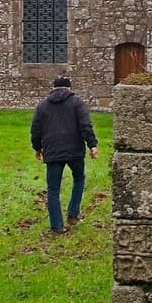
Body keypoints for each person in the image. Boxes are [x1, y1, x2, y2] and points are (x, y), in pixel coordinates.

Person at [31, 75, 98, 234]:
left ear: (53, 88)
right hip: (75, 151)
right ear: (69, 88)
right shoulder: (77, 103)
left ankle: (57, 226)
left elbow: (35, 130)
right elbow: (85, 126)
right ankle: (73, 214)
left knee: (53, 188)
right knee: (79, 178)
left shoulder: (42, 106)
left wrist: (37, 148)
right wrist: (92, 145)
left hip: (53, 151)